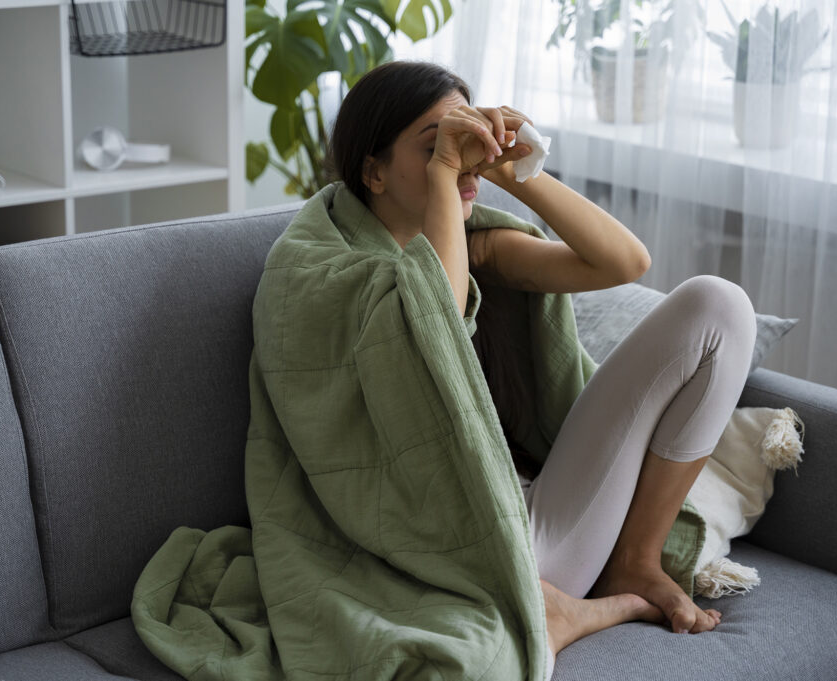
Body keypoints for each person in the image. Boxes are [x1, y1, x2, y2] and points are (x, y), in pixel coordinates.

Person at [323, 60, 758, 661]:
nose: (461, 161)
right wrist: (448, 172)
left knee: (720, 306)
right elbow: (436, 330)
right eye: (434, 147)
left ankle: (635, 561)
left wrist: (514, 168)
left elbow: (624, 262)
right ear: (373, 171)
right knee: (503, 581)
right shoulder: (328, 275)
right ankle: (558, 608)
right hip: (467, 553)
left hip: (536, 514)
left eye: (464, 136)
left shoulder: (480, 247)